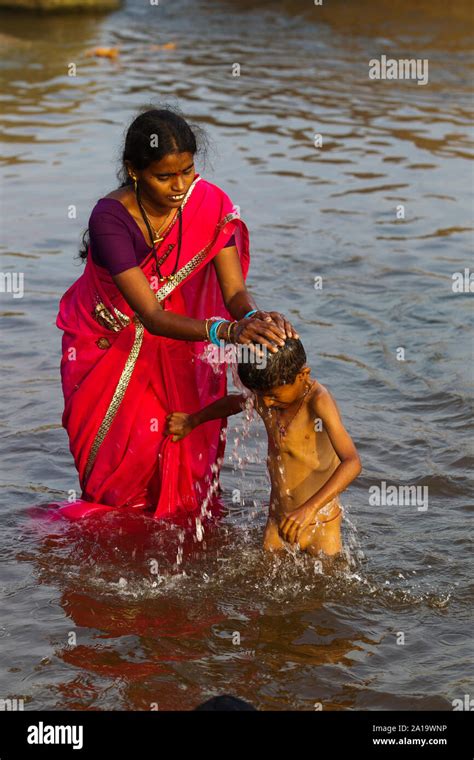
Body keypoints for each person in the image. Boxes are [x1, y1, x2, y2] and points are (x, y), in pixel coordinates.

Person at [55, 105, 299, 522]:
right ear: (133, 170)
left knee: (181, 442)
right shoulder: (110, 219)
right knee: (123, 476)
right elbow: (149, 314)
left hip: (181, 346)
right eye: (164, 176)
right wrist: (227, 330)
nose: (180, 186)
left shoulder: (209, 204)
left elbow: (235, 290)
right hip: (106, 349)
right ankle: (118, 544)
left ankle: (179, 532)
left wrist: (255, 320)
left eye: (186, 171)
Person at [165, 338, 361, 556]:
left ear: (302, 375)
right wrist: (193, 421)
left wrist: (309, 509)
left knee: (329, 586)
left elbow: (352, 463)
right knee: (259, 578)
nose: (266, 403)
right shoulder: (267, 395)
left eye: (273, 396)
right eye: (261, 395)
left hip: (320, 524)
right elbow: (233, 403)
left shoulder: (318, 401)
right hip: (279, 523)